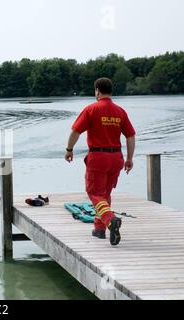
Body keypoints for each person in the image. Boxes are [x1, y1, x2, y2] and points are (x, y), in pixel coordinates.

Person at [65, 78, 136, 246]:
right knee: (104, 194)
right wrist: (129, 158)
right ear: (111, 91)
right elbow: (131, 136)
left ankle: (110, 220)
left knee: (95, 193)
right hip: (116, 158)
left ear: (97, 90)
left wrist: (69, 149)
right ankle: (99, 229)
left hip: (98, 158)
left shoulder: (91, 109)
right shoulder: (120, 112)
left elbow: (76, 131)